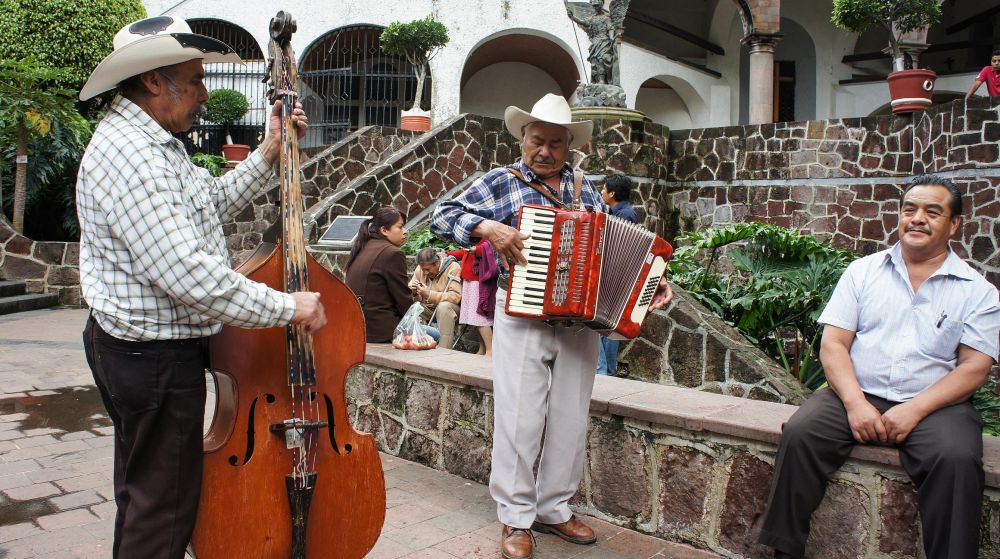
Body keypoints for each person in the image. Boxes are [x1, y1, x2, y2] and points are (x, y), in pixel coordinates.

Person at [75, 16, 326, 559]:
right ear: (152, 81)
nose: (206, 94)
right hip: (151, 358)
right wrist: (288, 307)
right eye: (195, 80)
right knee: (163, 510)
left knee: (147, 496)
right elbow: (189, 276)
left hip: (149, 353)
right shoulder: (133, 156)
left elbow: (209, 204)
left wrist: (270, 151)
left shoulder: (153, 141)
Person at [431, 93, 673, 559]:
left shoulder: (586, 189)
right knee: (520, 417)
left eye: (555, 143)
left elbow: (609, 248)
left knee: (570, 416)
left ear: (568, 146)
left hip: (579, 322)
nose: (545, 151)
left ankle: (554, 507)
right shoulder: (500, 181)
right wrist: (489, 229)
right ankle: (516, 516)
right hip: (522, 313)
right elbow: (443, 216)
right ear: (522, 138)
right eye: (537, 140)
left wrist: (655, 281)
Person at [758, 174, 999, 559]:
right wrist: (855, 404)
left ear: (954, 224)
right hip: (856, 392)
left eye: (932, 212)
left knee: (956, 459)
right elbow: (834, 344)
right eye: (909, 209)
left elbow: (974, 367)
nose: (917, 219)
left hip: (936, 407)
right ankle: (782, 551)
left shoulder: (977, 291)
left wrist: (914, 410)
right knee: (801, 434)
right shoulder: (863, 272)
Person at [344, 207, 423, 342]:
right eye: (400, 227)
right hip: (381, 330)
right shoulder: (392, 253)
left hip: (358, 326)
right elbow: (403, 299)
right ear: (384, 230)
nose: (405, 231)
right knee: (434, 335)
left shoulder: (363, 247)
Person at [596, 173, 638, 376]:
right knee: (607, 325)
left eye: (604, 189)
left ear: (612, 193)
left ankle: (604, 370)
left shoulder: (625, 214)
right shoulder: (618, 212)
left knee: (605, 325)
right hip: (616, 276)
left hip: (617, 277)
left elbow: (621, 248)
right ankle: (608, 370)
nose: (601, 192)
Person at [448, 240, 498, 356]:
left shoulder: (485, 235)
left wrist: (477, 249)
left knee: (479, 318)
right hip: (470, 280)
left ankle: (490, 351)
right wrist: (449, 254)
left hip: (478, 281)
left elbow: (490, 248)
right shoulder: (473, 238)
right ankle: (483, 348)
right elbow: (465, 251)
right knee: (474, 319)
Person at [408, 247, 462, 349]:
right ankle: (415, 342)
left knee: (443, 307)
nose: (425, 273)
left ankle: (444, 349)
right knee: (412, 307)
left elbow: (455, 297)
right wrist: (414, 293)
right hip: (430, 309)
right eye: (423, 270)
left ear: (437, 263)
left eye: (428, 269)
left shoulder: (453, 267)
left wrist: (429, 294)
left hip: (452, 310)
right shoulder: (421, 268)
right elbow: (412, 292)